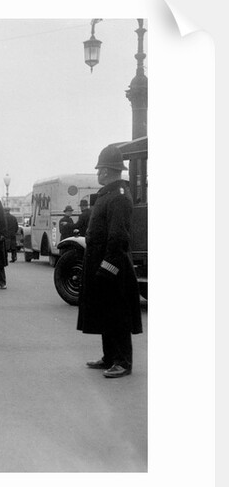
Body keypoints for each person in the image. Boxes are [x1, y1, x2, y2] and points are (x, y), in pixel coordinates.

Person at [77, 145, 143, 379]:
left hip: (113, 266)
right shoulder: (110, 194)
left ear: (106, 171)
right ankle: (109, 357)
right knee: (107, 312)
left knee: (118, 314)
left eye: (99, 169)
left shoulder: (119, 197)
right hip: (102, 262)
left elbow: (118, 237)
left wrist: (107, 268)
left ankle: (123, 361)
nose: (97, 173)